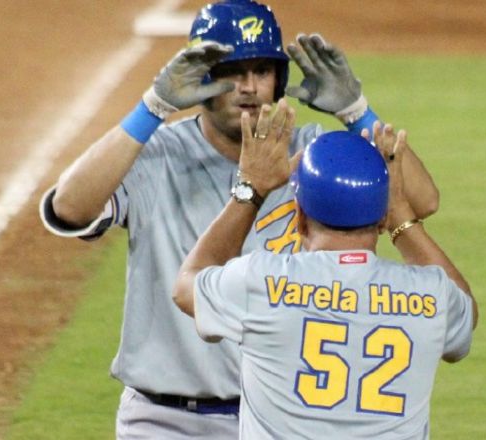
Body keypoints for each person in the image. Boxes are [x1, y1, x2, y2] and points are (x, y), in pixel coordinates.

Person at [39, 0, 438, 438]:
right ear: (202, 76)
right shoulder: (157, 154)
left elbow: (419, 200)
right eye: (232, 71)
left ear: (279, 80)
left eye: (262, 72)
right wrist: (152, 108)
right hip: (162, 420)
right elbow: (70, 209)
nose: (249, 87)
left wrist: (356, 111)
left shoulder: (312, 156)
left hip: (276, 419)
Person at [172, 109, 478, 439]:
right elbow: (465, 314)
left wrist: (252, 189)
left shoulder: (260, 281)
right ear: (380, 218)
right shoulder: (431, 294)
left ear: (299, 217)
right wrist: (401, 215)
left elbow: (187, 284)